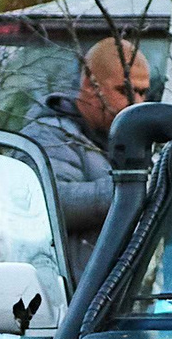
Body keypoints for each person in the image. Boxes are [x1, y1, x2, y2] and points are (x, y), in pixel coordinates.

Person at [22, 35, 153, 270]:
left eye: (143, 93)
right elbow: (50, 203)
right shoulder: (48, 137)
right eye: (124, 90)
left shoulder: (131, 138)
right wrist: (133, 186)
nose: (136, 102)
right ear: (90, 86)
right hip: (70, 294)